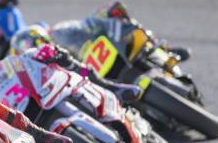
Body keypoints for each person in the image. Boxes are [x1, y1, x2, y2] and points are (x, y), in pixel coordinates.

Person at [10, 24, 142, 103]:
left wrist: (66, 60)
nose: (32, 47)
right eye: (25, 46)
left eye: (36, 42)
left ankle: (114, 88)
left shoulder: (56, 48)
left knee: (84, 70)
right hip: (45, 95)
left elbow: (76, 58)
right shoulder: (18, 71)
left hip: (71, 81)